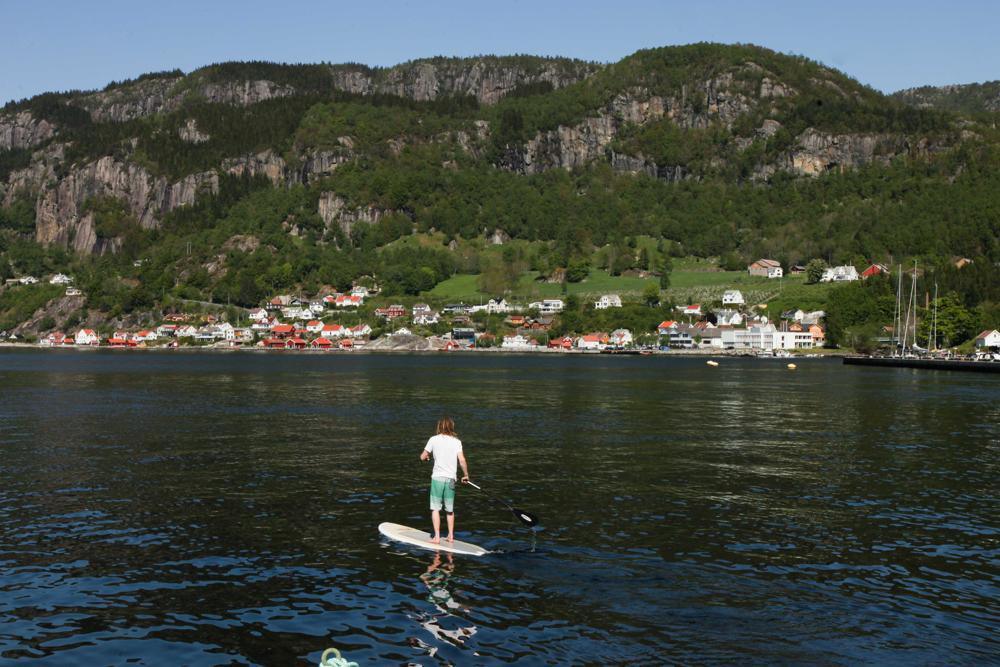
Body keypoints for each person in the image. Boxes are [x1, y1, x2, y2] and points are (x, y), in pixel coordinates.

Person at [420, 417, 470, 544]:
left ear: (439, 427)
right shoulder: (457, 442)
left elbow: (423, 456)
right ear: (452, 427)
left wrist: (427, 458)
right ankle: (451, 536)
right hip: (451, 479)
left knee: (435, 508)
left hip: (437, 478)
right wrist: (466, 475)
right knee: (450, 509)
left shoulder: (433, 439)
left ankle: (436, 537)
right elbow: (462, 460)